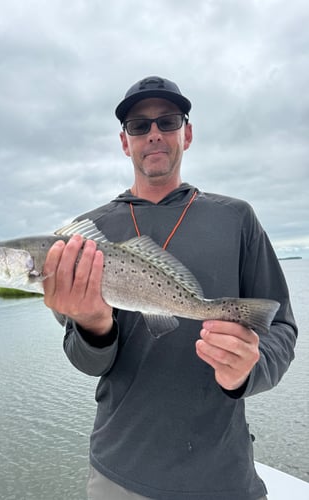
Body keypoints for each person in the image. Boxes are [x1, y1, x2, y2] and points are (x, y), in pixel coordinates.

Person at [43, 76, 297, 500]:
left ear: (187, 133)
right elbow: (87, 362)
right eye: (139, 126)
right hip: (119, 473)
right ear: (125, 142)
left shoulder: (236, 218)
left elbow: (280, 328)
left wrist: (246, 370)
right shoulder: (81, 240)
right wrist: (90, 326)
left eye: (168, 120)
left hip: (223, 475)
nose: (154, 133)